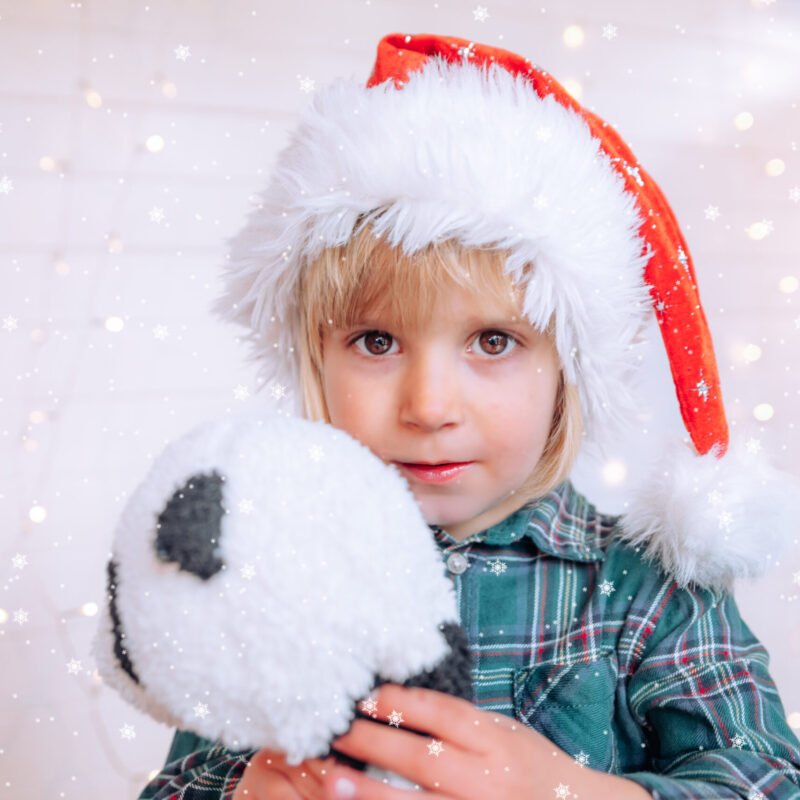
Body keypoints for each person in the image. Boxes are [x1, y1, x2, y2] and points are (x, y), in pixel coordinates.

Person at [137, 32, 800, 800]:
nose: (428, 406)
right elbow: (177, 783)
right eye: (377, 340)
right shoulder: (275, 577)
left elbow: (771, 780)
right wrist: (243, 791)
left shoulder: (646, 592)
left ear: (568, 372)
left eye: (493, 341)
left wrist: (574, 792)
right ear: (314, 357)